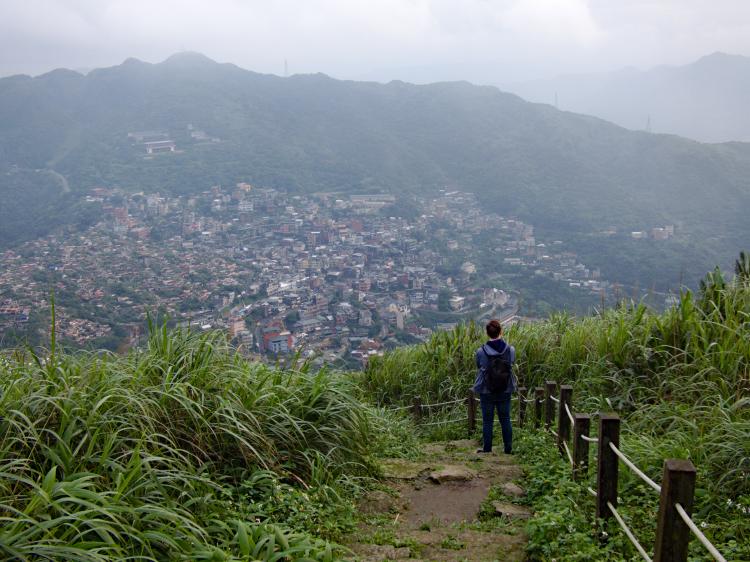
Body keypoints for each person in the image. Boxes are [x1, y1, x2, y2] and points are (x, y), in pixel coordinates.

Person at [473, 319, 516, 454]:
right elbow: (511, 363)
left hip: (487, 390)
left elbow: (479, 366)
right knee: (505, 419)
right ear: (501, 331)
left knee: (487, 421)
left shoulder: (481, 351)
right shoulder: (510, 350)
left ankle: (487, 449)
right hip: (505, 389)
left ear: (487, 333)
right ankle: (508, 449)